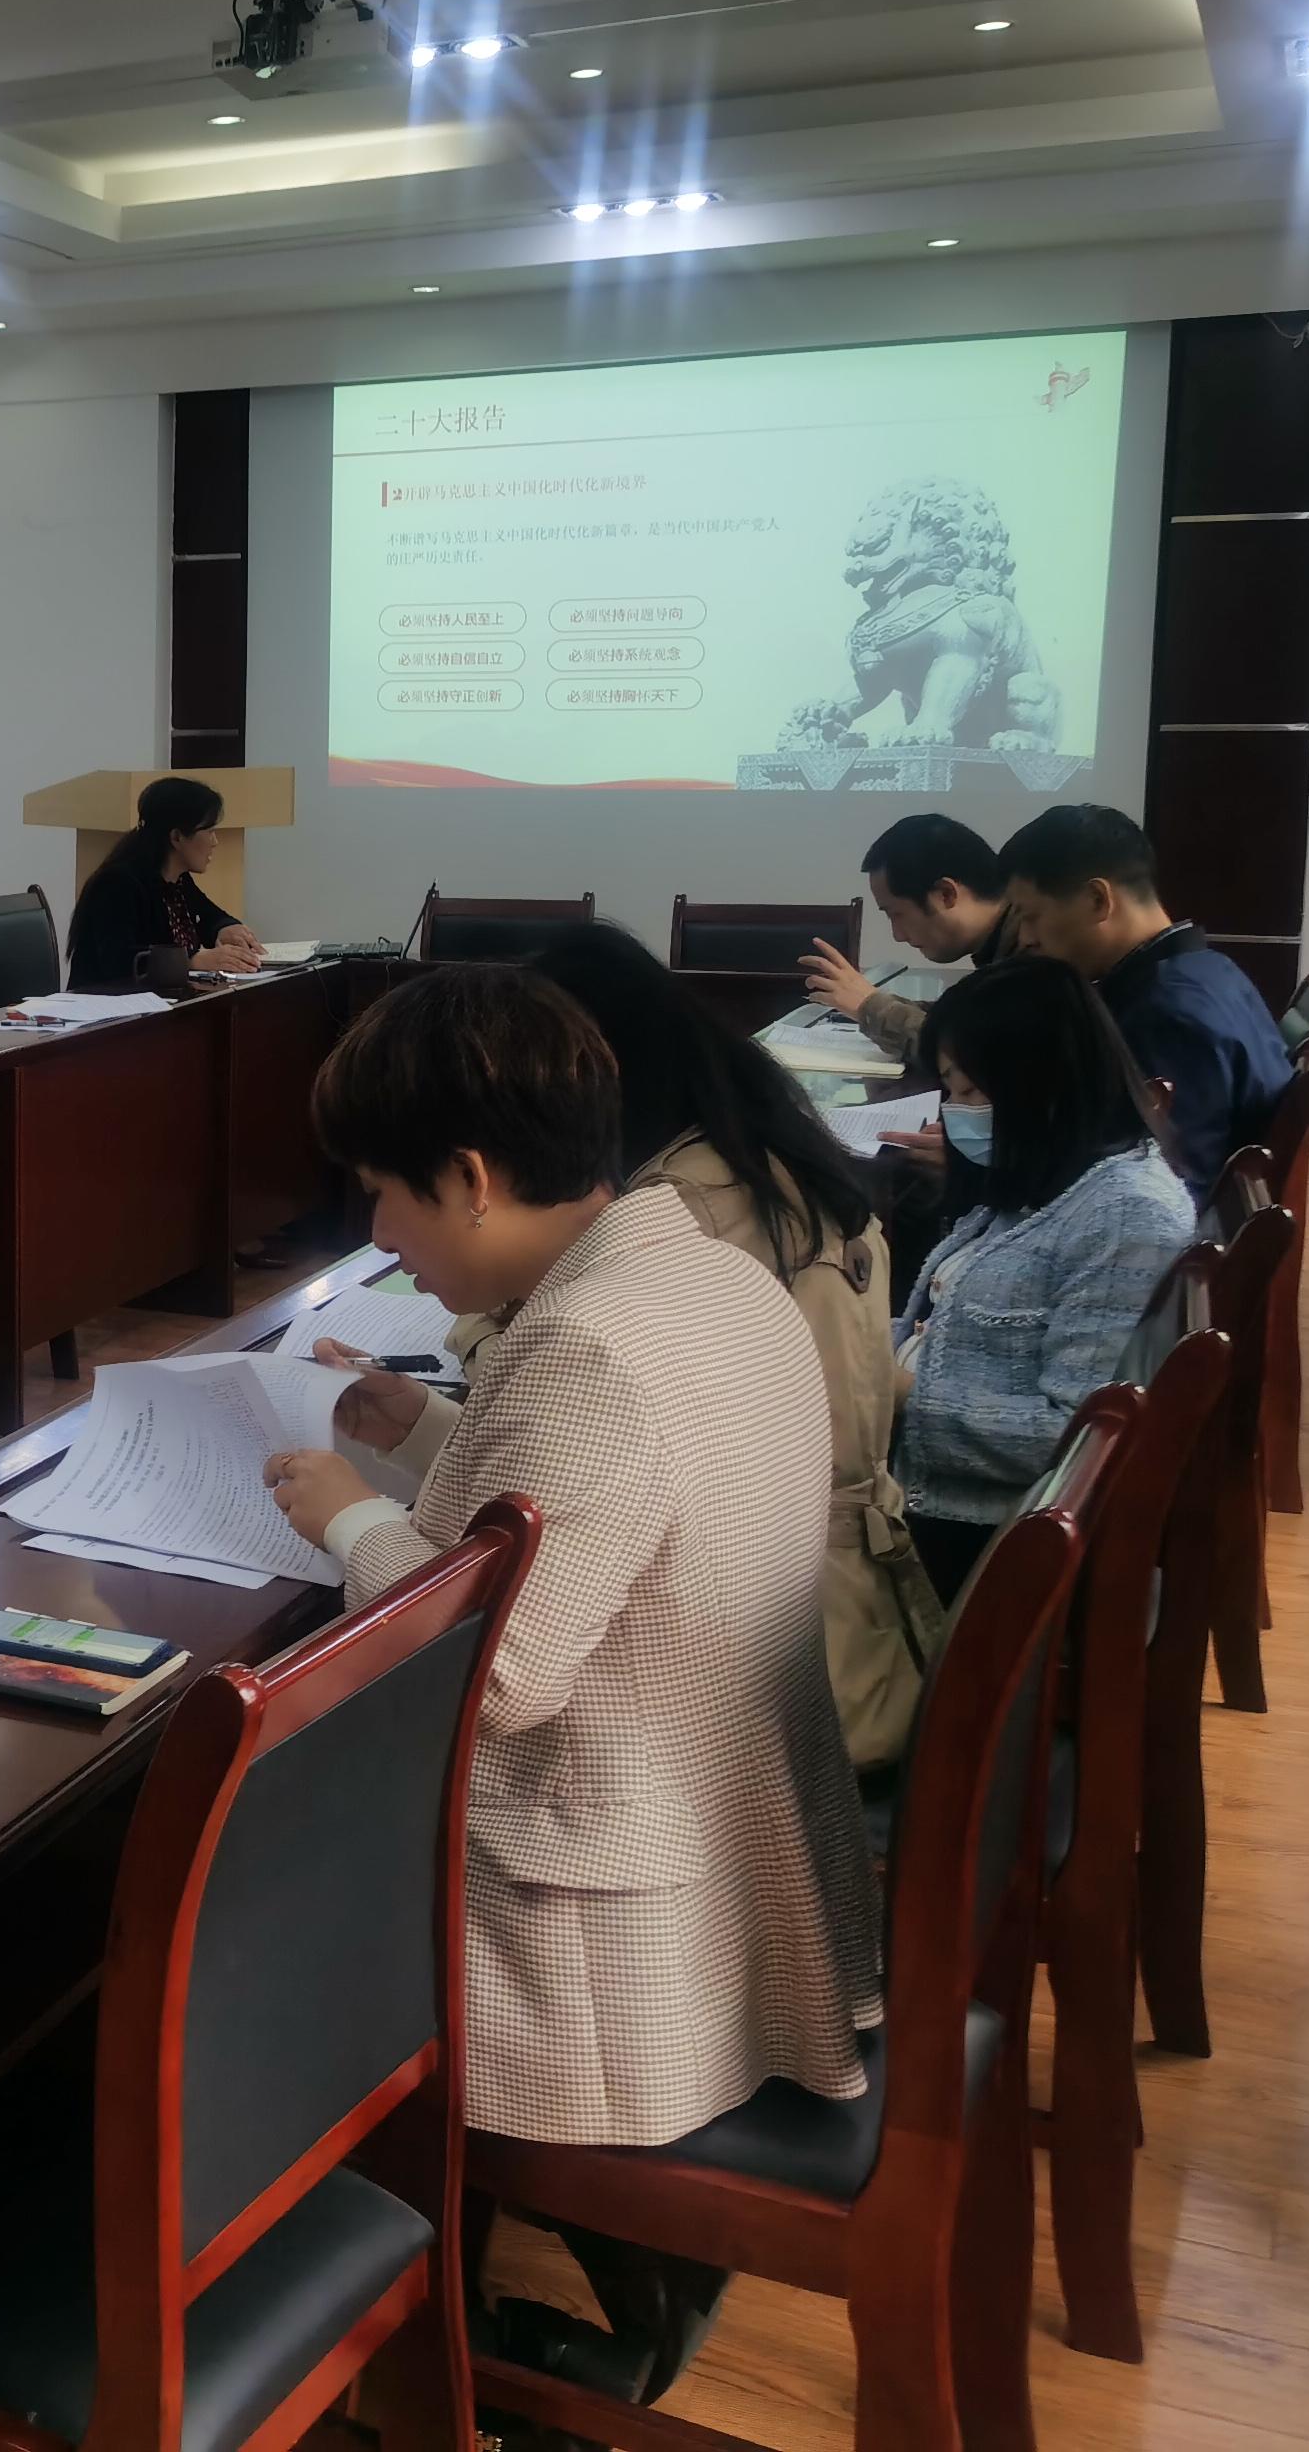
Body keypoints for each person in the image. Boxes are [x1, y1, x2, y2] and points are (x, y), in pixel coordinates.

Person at [259, 969, 879, 2413]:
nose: (377, 1232)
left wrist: (352, 1519)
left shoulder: (585, 1345)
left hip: (610, 1947)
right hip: (734, 1858)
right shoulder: (701, 1274)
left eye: (384, 1193)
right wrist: (428, 1431)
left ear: (471, 1179)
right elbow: (599, 1517)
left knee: (223, 1890)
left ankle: (343, 2319)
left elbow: (492, 1678)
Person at [510, 926, 944, 1774]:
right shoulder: (759, 1144)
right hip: (840, 1593)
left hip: (776, 1670)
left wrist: (490, 1317)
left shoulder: (686, 1206)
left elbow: (574, 1421)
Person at [890, 953, 1194, 1604]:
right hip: (940, 1493)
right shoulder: (1046, 1175)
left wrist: (899, 1393)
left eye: (970, 1092)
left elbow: (1073, 1437)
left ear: (1039, 1084)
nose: (953, 1114)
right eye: (950, 1091)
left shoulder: (1127, 1216)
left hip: (997, 1539)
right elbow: (945, 1326)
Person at [998, 802, 1290, 1201]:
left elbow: (1167, 1192)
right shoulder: (1209, 969)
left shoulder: (1166, 1015)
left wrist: (996, 1170)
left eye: (1032, 916)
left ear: (1097, 900)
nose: (1025, 939)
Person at [801, 810, 1015, 1071]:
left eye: (896, 914)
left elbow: (978, 1055)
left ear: (946, 894)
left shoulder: (1030, 954)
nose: (898, 935)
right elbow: (967, 1023)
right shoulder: (1001, 948)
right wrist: (870, 1003)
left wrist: (870, 1007)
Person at [63, 776, 265, 987]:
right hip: (110, 1002)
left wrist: (225, 928)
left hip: (166, 999)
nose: (215, 842)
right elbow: (119, 961)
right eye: (209, 831)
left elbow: (209, 916)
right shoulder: (117, 884)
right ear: (176, 837)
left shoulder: (177, 880)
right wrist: (191, 961)